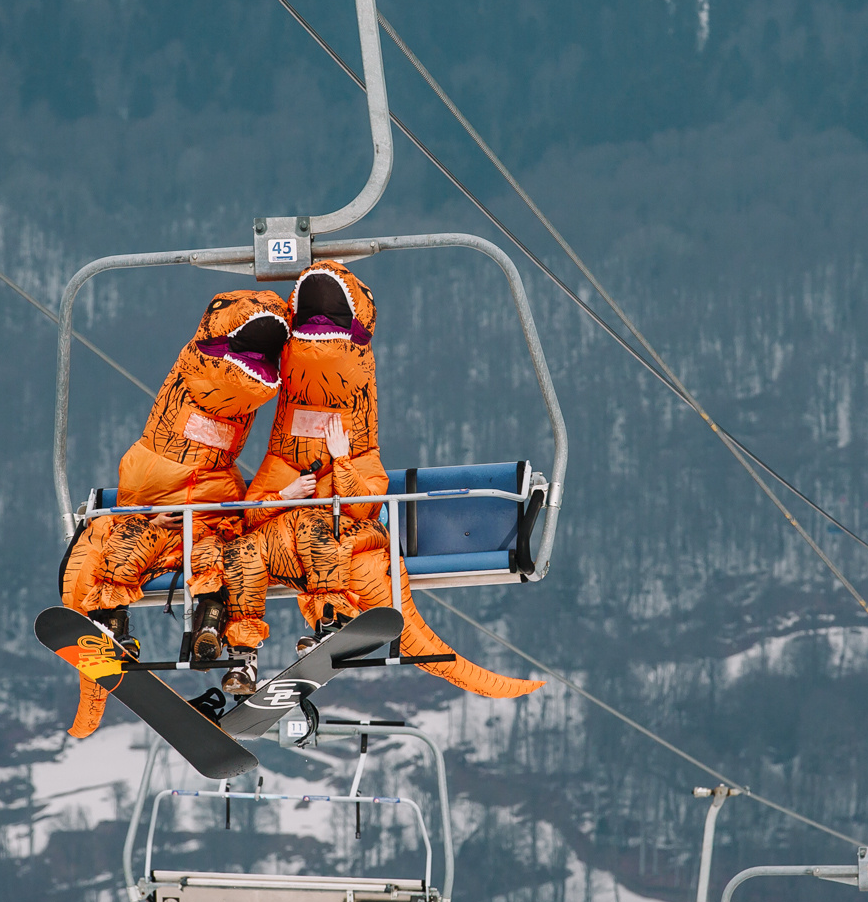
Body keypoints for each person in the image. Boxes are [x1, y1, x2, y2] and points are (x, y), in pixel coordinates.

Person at [215, 263, 538, 698]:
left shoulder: (361, 452)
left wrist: (342, 461)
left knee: (316, 526)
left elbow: (364, 508)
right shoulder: (282, 459)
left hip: (349, 545)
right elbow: (254, 518)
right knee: (241, 550)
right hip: (289, 552)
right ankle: (242, 654)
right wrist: (284, 495)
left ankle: (330, 617)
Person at [57, 291, 290, 733]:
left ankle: (216, 627)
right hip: (160, 512)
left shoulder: (235, 422)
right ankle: (115, 625)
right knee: (123, 549)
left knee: (228, 558)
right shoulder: (196, 365)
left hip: (203, 518)